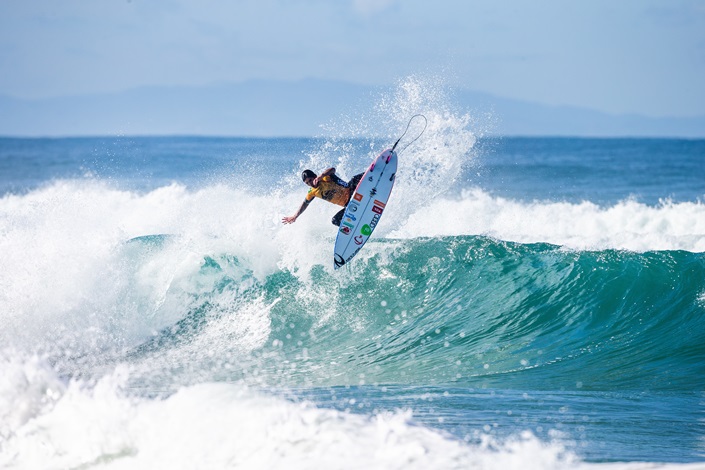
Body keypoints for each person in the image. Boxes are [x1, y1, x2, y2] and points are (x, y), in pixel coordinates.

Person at [282, 167, 364, 226]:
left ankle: (375, 174)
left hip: (352, 191)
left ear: (315, 176)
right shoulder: (312, 192)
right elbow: (304, 204)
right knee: (335, 221)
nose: (310, 184)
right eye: (307, 183)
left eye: (310, 180)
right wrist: (295, 216)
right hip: (348, 205)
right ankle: (355, 227)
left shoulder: (325, 178)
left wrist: (321, 175)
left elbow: (332, 169)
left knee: (355, 179)